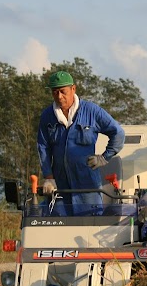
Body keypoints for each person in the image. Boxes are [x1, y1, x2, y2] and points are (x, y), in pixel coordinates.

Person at [36, 70, 125, 215]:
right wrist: (49, 178)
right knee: (56, 228)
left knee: (89, 228)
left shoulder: (92, 111)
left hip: (87, 186)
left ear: (73, 89)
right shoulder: (47, 116)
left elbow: (118, 133)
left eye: (63, 91)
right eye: (55, 92)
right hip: (60, 186)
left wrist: (104, 157)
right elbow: (43, 146)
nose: (59, 96)